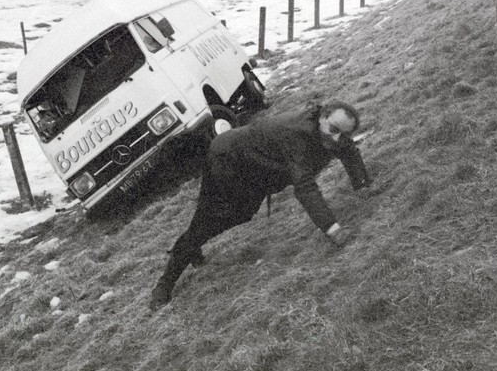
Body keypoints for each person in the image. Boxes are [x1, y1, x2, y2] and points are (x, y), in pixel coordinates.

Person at [149, 101, 372, 309]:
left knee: (242, 214)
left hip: (259, 169)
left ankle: (193, 244)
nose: (337, 139)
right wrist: (332, 229)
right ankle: (165, 284)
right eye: (334, 130)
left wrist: (364, 187)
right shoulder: (295, 135)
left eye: (344, 134)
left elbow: (348, 151)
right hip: (227, 159)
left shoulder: (331, 132)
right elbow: (304, 186)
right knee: (211, 218)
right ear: (322, 117)